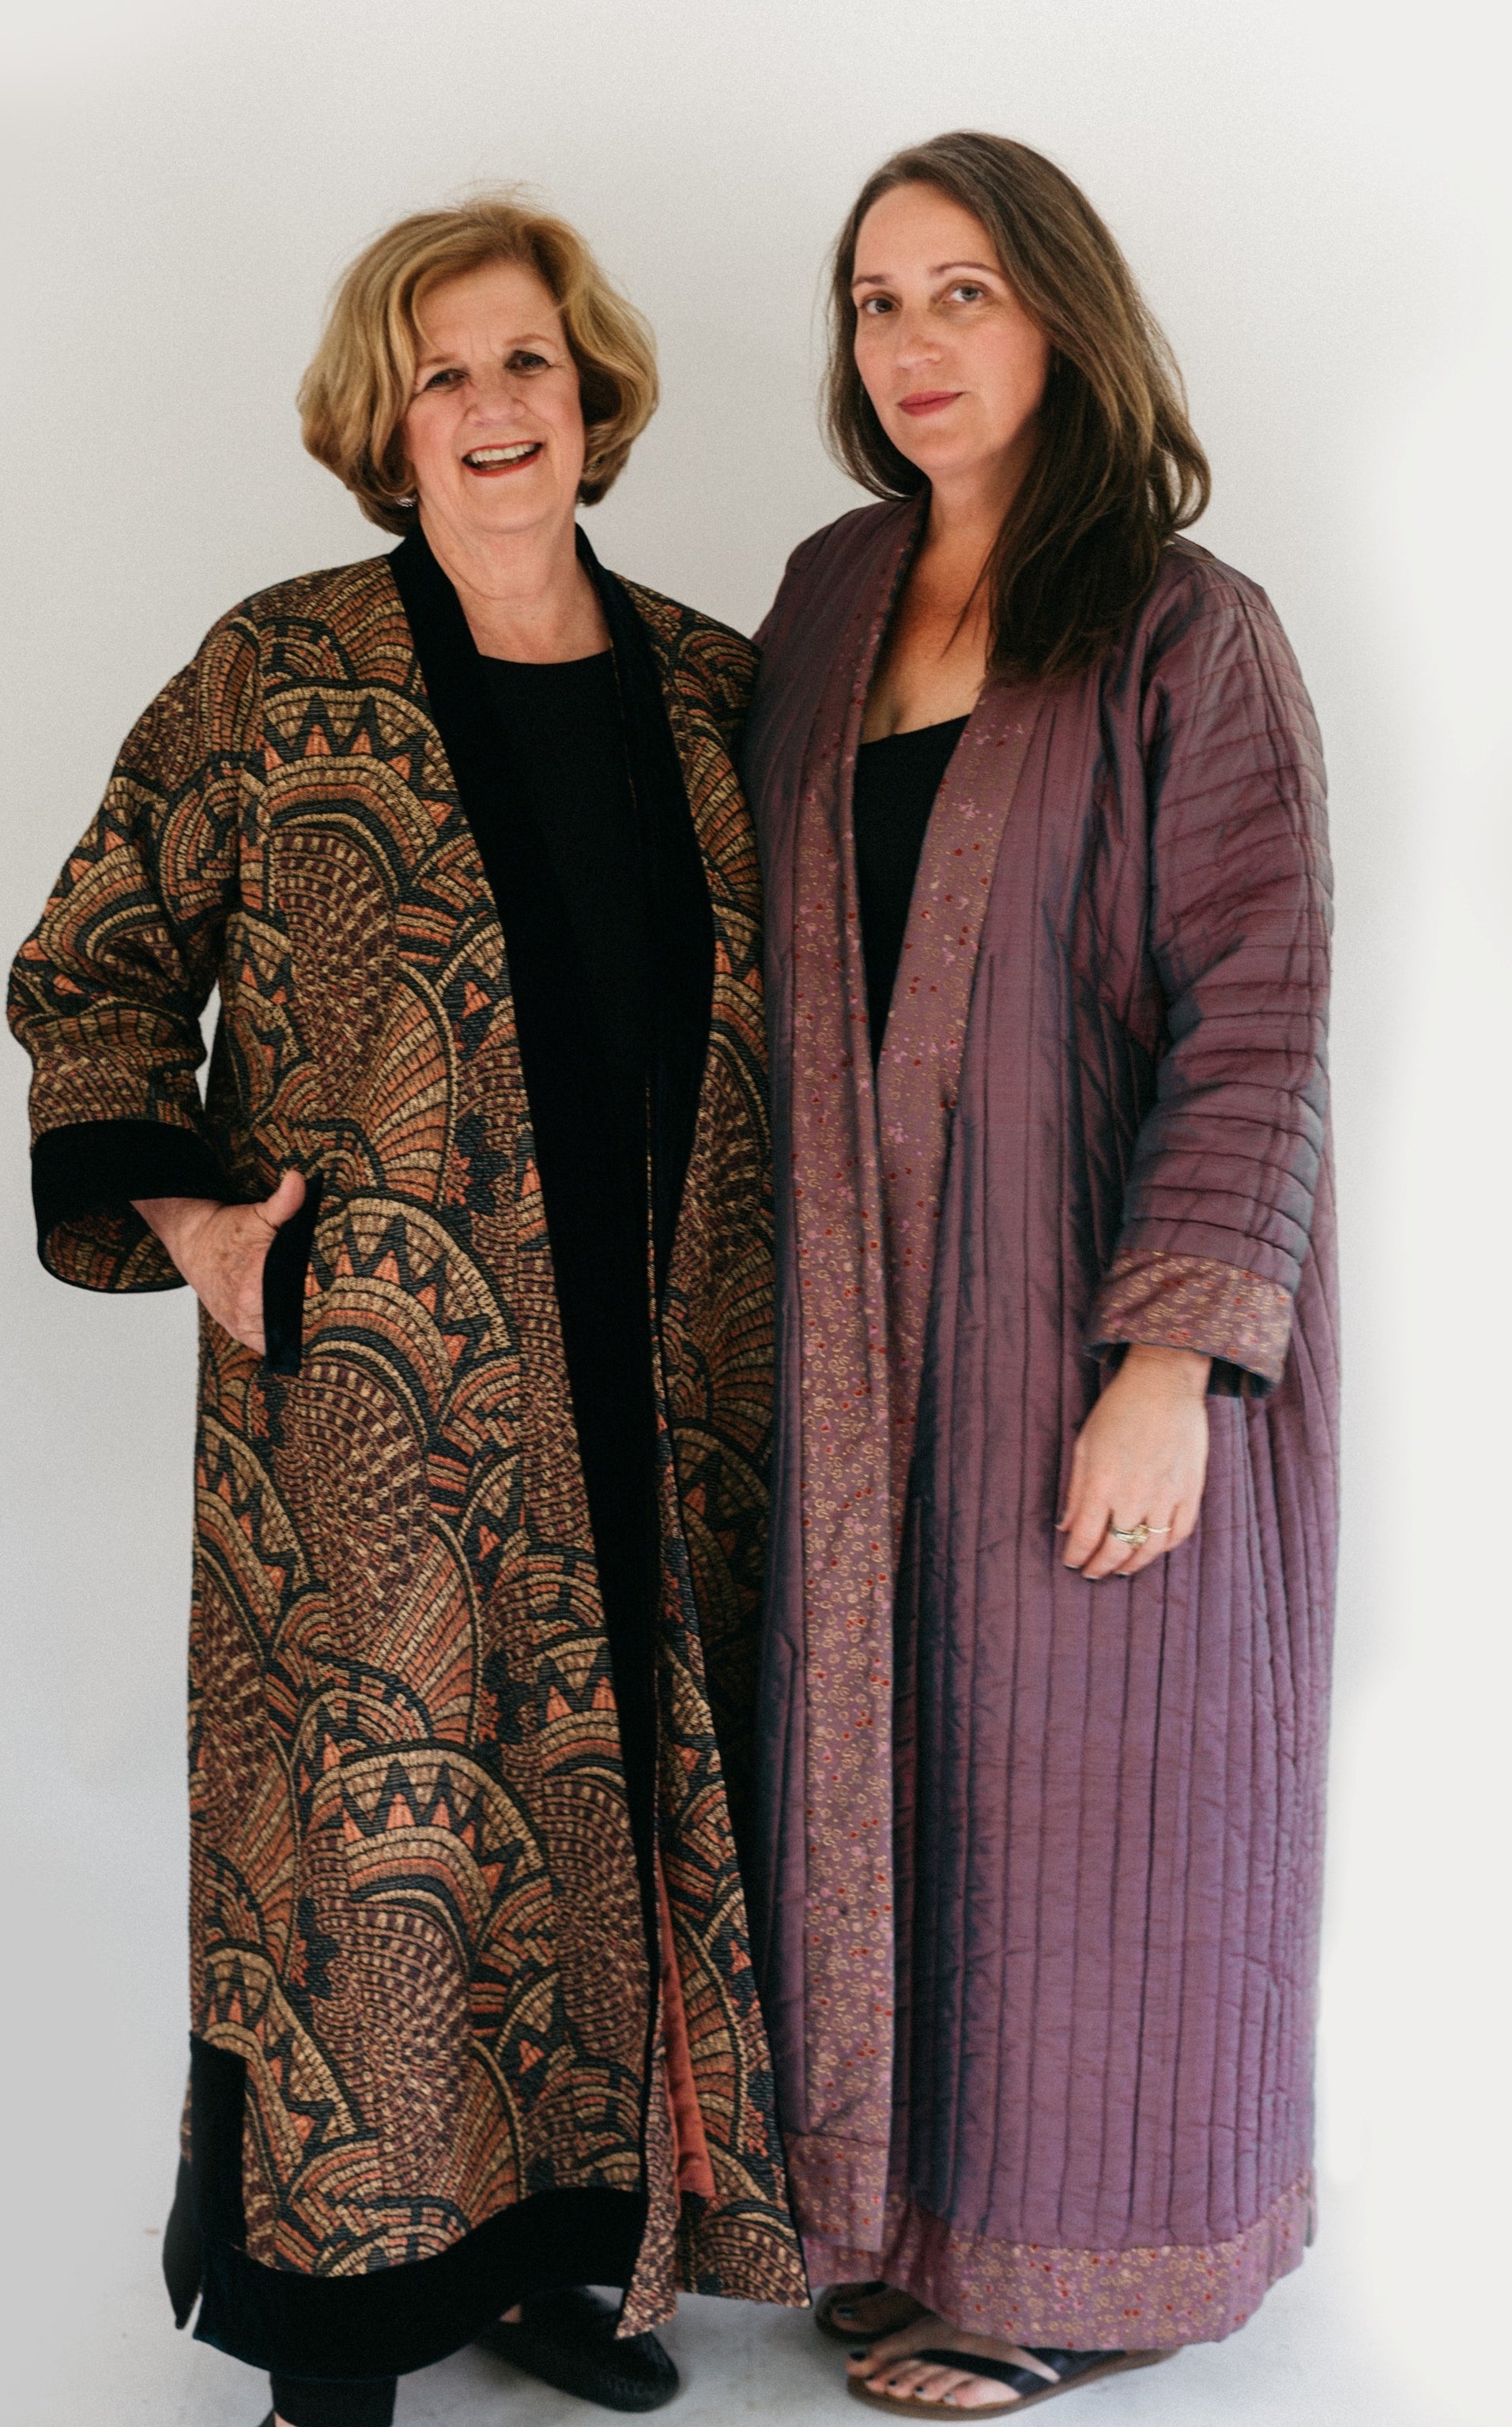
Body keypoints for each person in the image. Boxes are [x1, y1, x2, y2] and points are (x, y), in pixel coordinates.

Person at [8, 196, 806, 2427]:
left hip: (666, 1386)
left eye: (525, 364)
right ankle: (329, 2327)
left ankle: (555, 2257)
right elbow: (92, 966)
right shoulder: (278, 672)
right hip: (376, 1402)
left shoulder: (717, 686)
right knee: (366, 1871)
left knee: (598, 1829)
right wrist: (178, 1203)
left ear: (594, 397)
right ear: (386, 420)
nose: (488, 408)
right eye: (441, 373)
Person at [745, 133, 1336, 2416]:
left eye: (961, 292)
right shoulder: (821, 598)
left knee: (1092, 1776)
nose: (911, 344)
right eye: (879, 301)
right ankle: (898, 2229)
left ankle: (1077, 2281)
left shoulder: (1188, 623)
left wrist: (1169, 1360)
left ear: (1065, 315)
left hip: (1076, 1314)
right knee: (888, 1776)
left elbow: (1259, 1002)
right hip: (847, 1331)